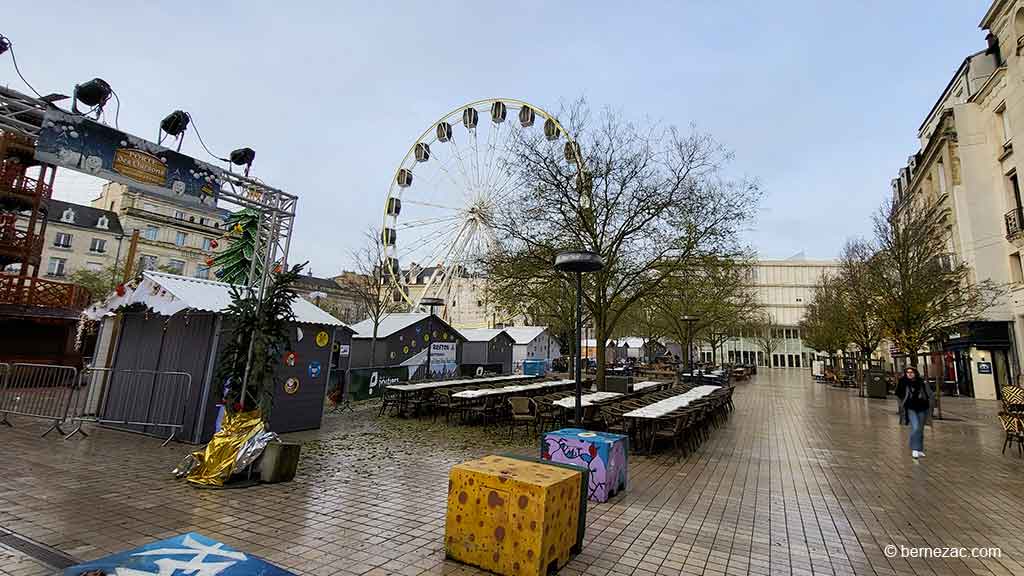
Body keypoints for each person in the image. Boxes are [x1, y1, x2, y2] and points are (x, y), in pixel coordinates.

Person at [895, 366, 934, 459]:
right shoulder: (903, 382)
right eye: (908, 372)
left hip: (922, 407)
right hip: (910, 408)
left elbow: (929, 394)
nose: (909, 374)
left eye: (911, 372)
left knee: (920, 429)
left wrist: (931, 405)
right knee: (915, 427)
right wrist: (902, 405)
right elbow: (898, 394)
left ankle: (919, 449)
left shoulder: (921, 382)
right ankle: (914, 449)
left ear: (915, 373)